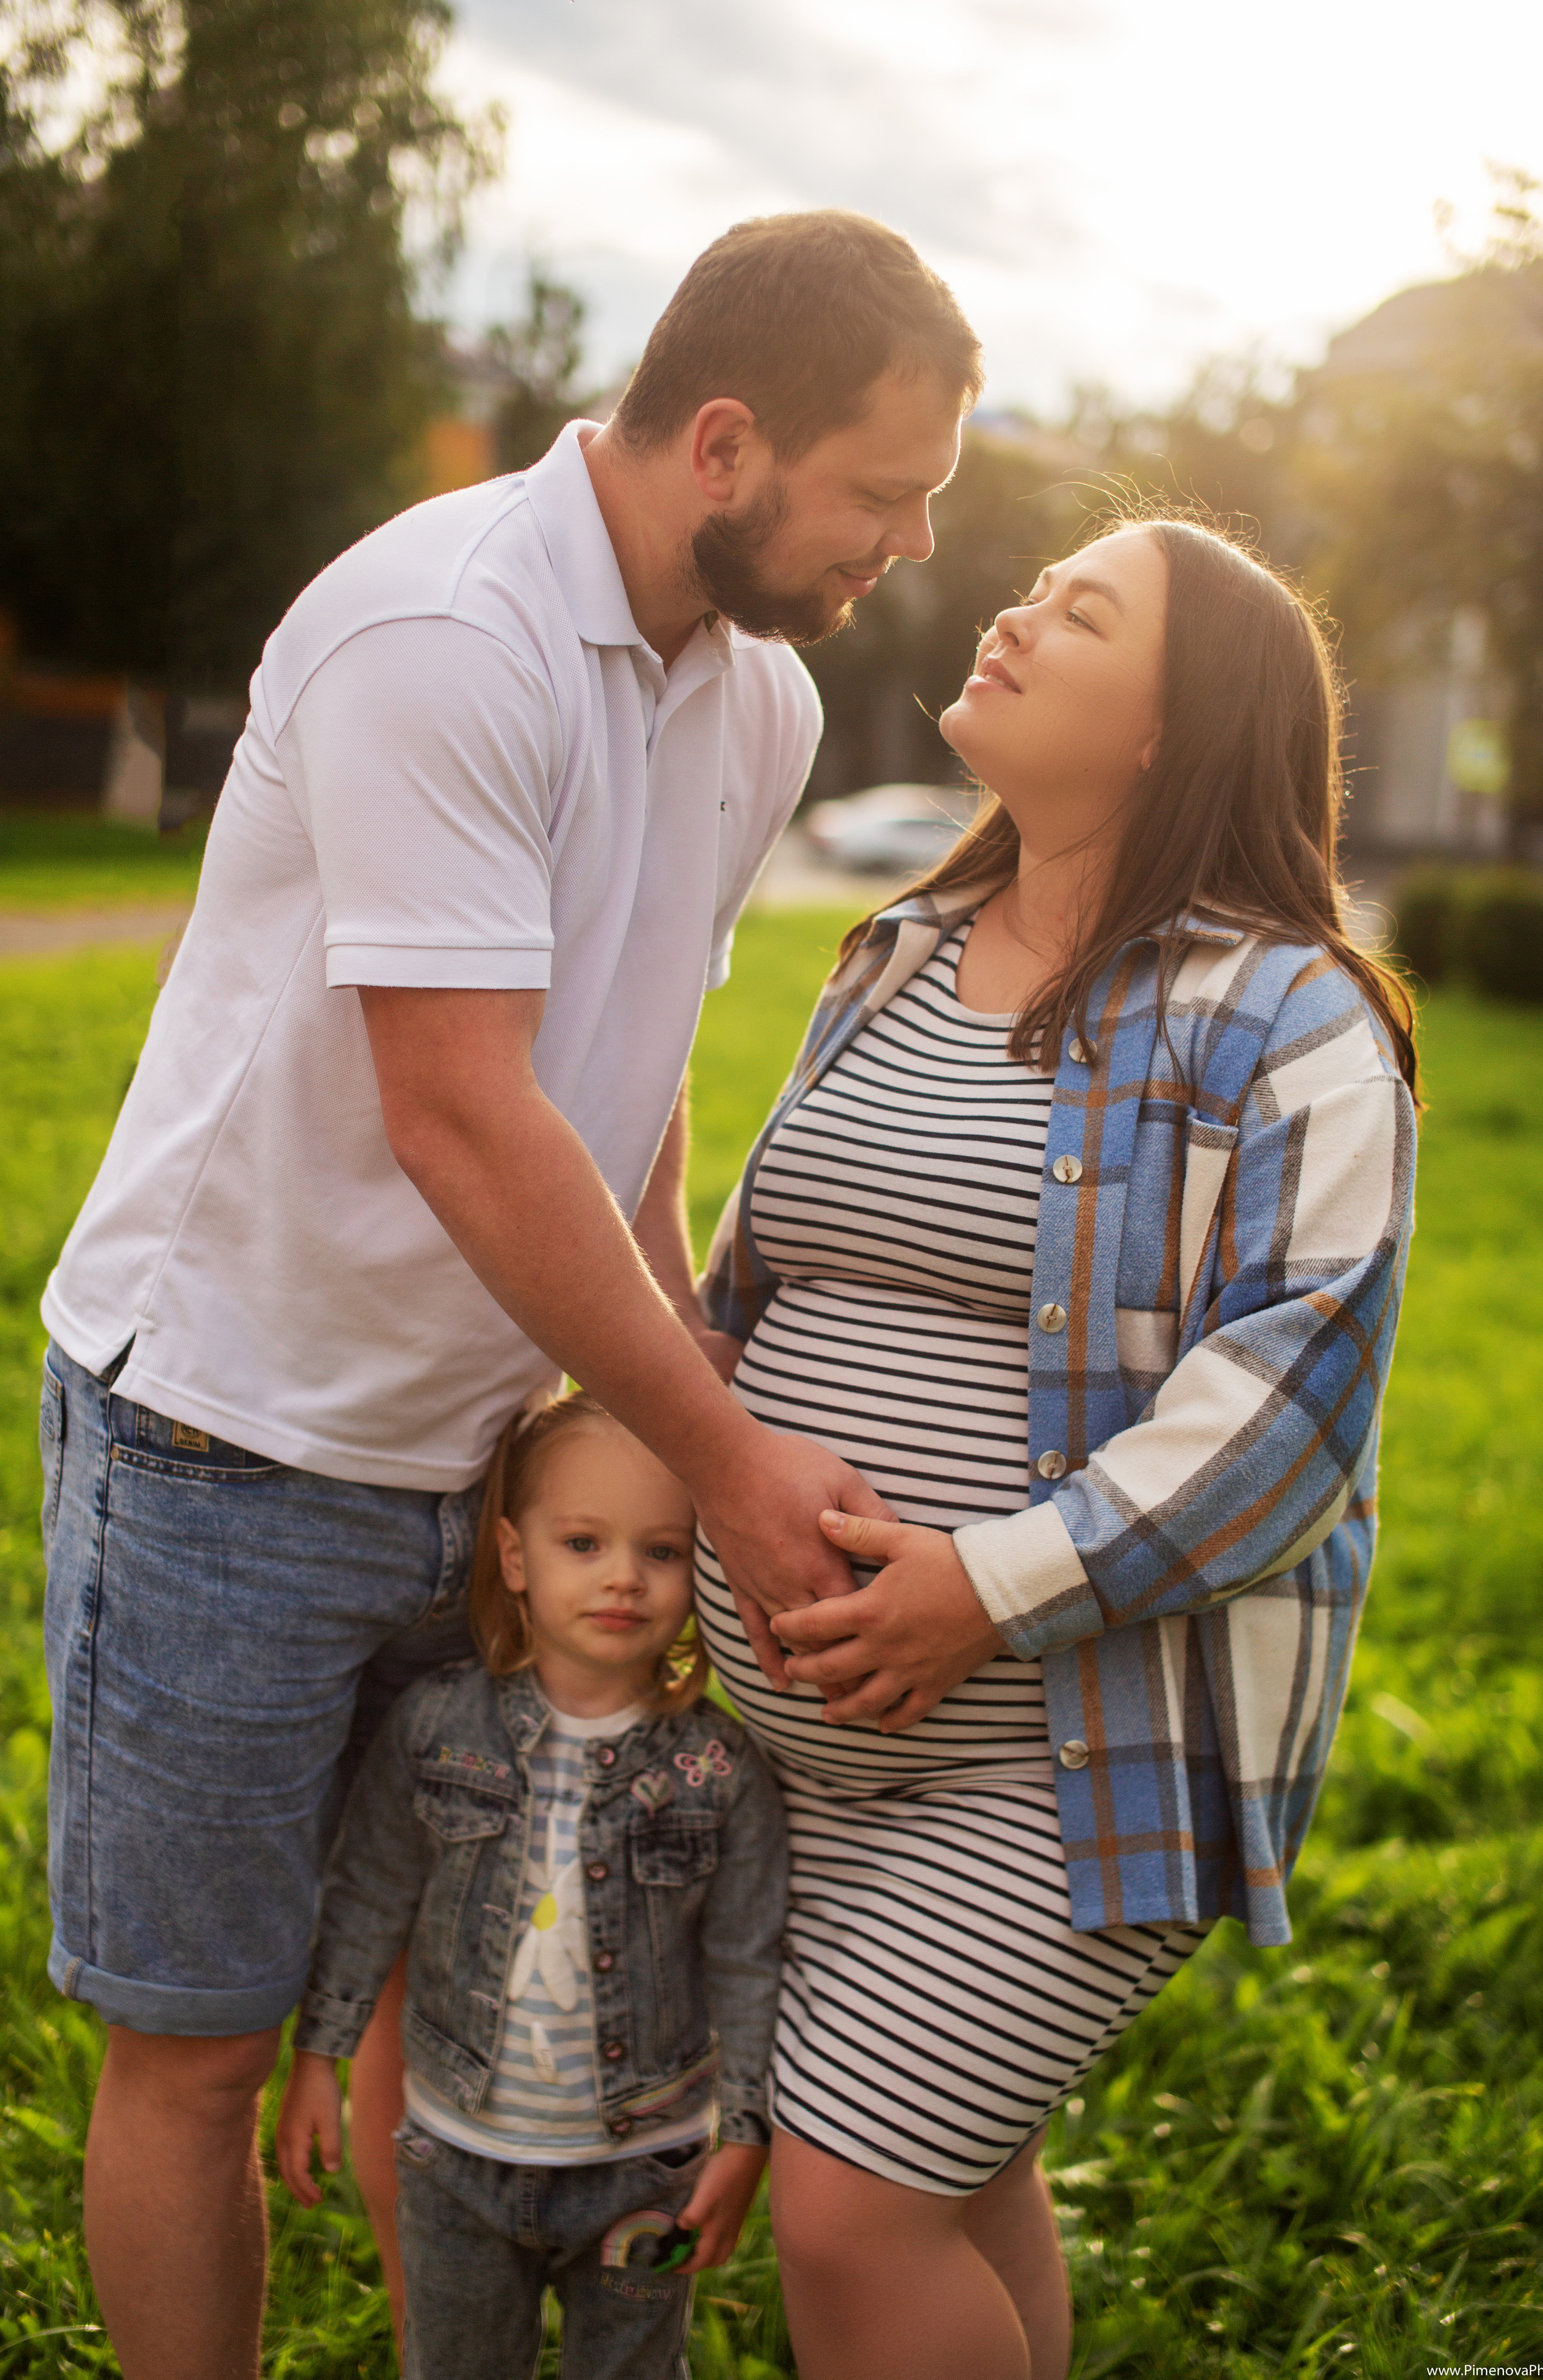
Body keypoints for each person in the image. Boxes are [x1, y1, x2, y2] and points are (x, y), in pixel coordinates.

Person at [35, 208, 981, 2378]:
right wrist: (734, 1468)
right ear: (725, 444)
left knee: (418, 2016)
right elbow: (463, 1113)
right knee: (198, 2057)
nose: (905, 549)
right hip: (229, 1445)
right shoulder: (439, 634)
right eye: (883, 492)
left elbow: (617, 1091)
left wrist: (675, 1403)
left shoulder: (761, 698)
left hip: (476, 1468)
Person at [694, 513, 1419, 2380]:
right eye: (1039, 586)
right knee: (954, 2173)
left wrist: (981, 1588)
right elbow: (754, 1280)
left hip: (1068, 1770)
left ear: (1179, 729)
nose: (1017, 610)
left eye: (1080, 612)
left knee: (849, 2214)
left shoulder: (1292, 1016)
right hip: (804, 1750)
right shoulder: (899, 951)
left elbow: (1298, 1396)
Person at [275, 1391, 785, 2380]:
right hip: (452, 2164)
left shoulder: (722, 1772)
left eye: (663, 1552)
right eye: (584, 1543)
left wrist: (745, 2132)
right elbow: (366, 1895)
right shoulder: (434, 1731)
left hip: (650, 2172)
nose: (624, 1580)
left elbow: (748, 1961)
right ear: (515, 1556)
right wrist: (316, 2057)